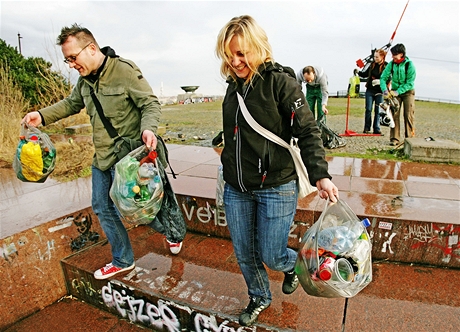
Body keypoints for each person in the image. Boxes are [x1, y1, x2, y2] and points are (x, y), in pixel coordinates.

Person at [21, 24, 184, 280]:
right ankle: (123, 259)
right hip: (103, 159)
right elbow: (72, 104)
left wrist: (148, 129)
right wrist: (41, 116)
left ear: (92, 48)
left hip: (130, 160)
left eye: (73, 58)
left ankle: (173, 232)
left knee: (144, 209)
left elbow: (150, 104)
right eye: (67, 60)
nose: (72, 64)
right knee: (102, 206)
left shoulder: (125, 71)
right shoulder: (84, 81)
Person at [215, 15, 339, 327]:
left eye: (242, 53)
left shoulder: (281, 83)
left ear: (259, 48)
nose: (235, 61)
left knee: (271, 254)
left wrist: (320, 174)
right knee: (244, 253)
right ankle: (259, 296)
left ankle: (290, 266)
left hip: (276, 186)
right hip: (237, 187)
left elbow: (309, 131)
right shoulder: (232, 89)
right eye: (229, 55)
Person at [379, 43, 416, 146]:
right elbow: (383, 78)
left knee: (408, 115)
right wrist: (385, 90)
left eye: (395, 54)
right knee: (394, 114)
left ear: (401, 54)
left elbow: (410, 83)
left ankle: (409, 140)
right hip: (394, 93)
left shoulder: (410, 65)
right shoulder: (391, 64)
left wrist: (398, 91)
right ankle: (394, 139)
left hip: (408, 92)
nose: (393, 57)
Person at [358, 49, 388, 135]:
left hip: (380, 91)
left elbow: (389, 77)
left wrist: (380, 82)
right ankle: (367, 127)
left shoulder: (386, 66)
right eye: (374, 56)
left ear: (382, 57)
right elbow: (366, 74)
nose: (375, 58)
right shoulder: (372, 65)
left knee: (378, 110)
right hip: (370, 90)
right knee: (368, 109)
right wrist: (358, 72)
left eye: (377, 57)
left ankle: (376, 128)